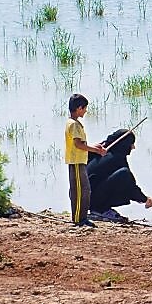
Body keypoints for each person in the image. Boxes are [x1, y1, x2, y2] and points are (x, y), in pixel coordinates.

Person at [88, 128, 152, 223]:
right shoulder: (117, 158)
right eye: (131, 143)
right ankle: (100, 209)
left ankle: (100, 207)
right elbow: (130, 185)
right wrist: (145, 199)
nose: (133, 147)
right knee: (124, 174)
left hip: (84, 198)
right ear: (125, 144)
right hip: (91, 199)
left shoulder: (99, 151)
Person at [64, 93, 106, 228]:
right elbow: (78, 144)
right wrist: (96, 151)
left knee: (86, 190)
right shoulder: (74, 125)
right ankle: (78, 219)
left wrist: (95, 146)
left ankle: (83, 217)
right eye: (85, 108)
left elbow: (82, 143)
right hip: (76, 162)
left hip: (80, 161)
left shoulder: (76, 124)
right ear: (79, 108)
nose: (86, 111)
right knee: (79, 191)